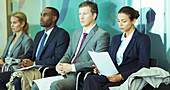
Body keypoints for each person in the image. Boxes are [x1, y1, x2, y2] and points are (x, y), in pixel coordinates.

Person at [31, 1, 110, 90]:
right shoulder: (76, 33)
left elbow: (95, 62)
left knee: (55, 85)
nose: (81, 17)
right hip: (65, 73)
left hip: (80, 76)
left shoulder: (102, 35)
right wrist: (60, 64)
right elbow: (68, 54)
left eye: (85, 14)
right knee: (36, 86)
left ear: (94, 15)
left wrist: (71, 67)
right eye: (80, 14)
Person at [0, 7, 70, 90]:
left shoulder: (61, 34)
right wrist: (24, 61)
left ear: (54, 18)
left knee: (17, 80)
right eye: (41, 15)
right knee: (1, 78)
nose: (41, 17)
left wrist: (34, 63)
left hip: (45, 70)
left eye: (45, 15)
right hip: (30, 70)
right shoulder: (39, 35)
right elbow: (29, 53)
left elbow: (57, 59)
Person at [83, 6, 151, 90]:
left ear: (133, 21)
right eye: (118, 21)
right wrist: (101, 68)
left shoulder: (142, 39)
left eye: (124, 21)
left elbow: (143, 65)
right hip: (112, 74)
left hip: (127, 77)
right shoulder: (116, 38)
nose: (120, 24)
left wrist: (121, 76)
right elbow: (110, 59)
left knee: (106, 87)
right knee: (90, 79)